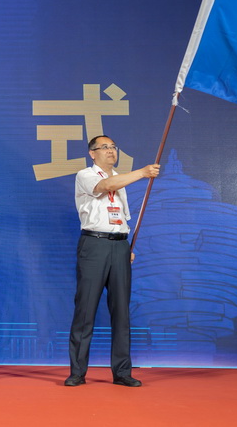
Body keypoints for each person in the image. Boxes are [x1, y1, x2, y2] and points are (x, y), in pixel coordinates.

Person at [64, 135, 159, 388]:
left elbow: (121, 217)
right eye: (104, 147)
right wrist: (143, 172)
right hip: (94, 245)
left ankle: (122, 372)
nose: (110, 151)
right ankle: (77, 372)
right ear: (92, 153)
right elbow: (105, 186)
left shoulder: (121, 179)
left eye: (113, 147)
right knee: (85, 310)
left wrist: (125, 245)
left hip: (119, 247)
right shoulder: (86, 175)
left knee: (121, 312)